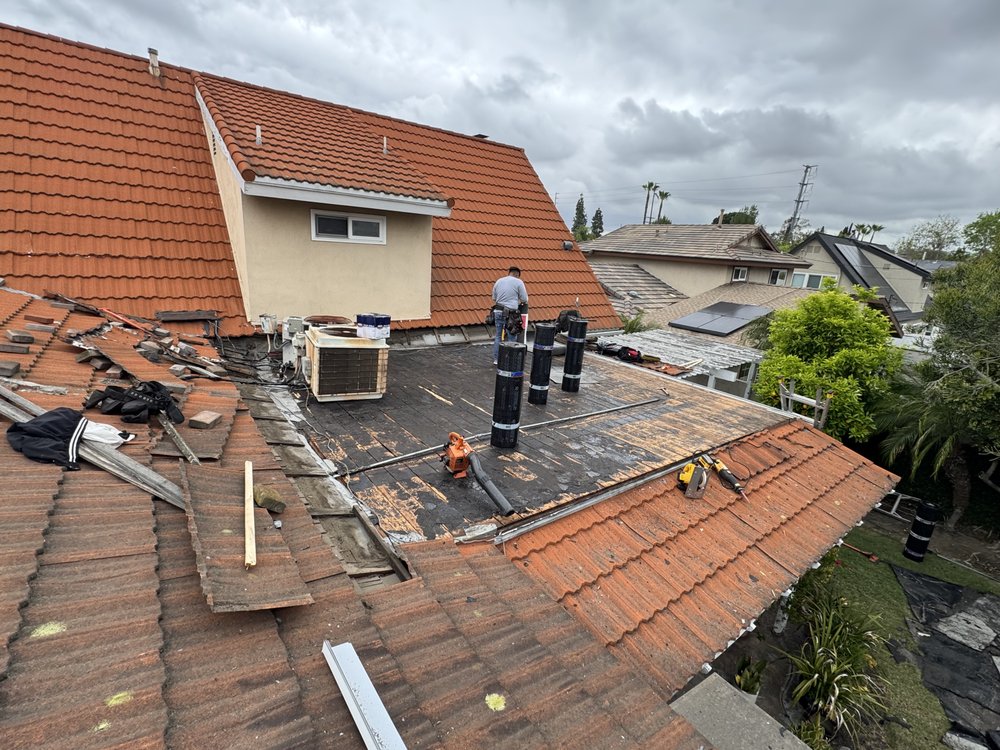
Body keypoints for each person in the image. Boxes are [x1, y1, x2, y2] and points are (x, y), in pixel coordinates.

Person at [491, 265, 528, 364]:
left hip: (498, 311)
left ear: (509, 273)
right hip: (511, 314)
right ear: (517, 275)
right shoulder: (519, 282)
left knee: (498, 335)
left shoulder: (499, 281)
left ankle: (496, 359)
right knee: (512, 335)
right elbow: (525, 299)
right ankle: (510, 360)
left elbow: (494, 298)